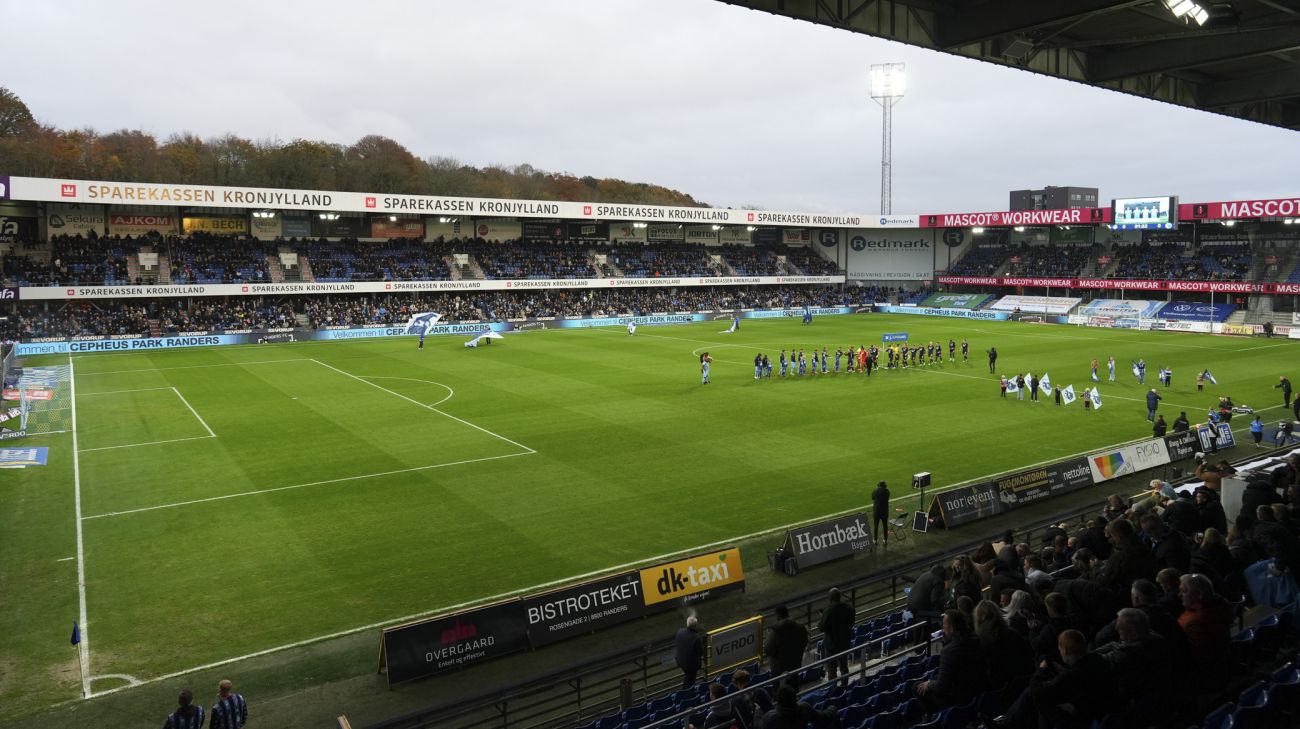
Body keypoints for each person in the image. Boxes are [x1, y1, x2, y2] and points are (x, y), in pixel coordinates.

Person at [916, 610, 986, 713]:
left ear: (952, 628)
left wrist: (929, 684)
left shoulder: (948, 651)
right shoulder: (976, 638)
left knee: (917, 687)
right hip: (977, 690)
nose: (943, 628)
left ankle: (935, 718)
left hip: (959, 698)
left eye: (944, 625)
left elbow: (942, 687)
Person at [819, 588, 855, 686]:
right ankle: (845, 687)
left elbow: (821, 627)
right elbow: (851, 622)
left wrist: (822, 617)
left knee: (831, 669)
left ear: (830, 598)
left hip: (832, 645)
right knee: (844, 667)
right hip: (844, 644)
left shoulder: (828, 611)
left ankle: (833, 691)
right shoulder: (849, 608)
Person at [764, 605, 809, 676]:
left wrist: (769, 637)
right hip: (796, 665)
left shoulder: (777, 631)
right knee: (794, 685)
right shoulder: (801, 627)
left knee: (779, 686)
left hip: (779, 669)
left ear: (778, 616)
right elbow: (805, 642)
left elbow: (767, 650)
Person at [675, 616, 705, 688]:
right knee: (690, 679)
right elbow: (700, 652)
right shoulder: (696, 637)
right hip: (690, 665)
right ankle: (687, 691)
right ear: (695, 626)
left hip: (680, 660)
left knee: (688, 676)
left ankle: (686, 689)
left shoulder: (680, 631)